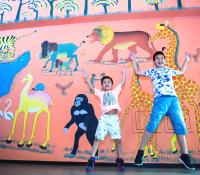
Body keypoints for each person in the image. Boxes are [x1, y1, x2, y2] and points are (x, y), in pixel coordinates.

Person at [131, 51, 195, 170]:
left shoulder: (169, 70)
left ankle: (185, 156)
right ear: (154, 62)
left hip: (173, 101)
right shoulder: (152, 71)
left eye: (162, 58)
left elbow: (182, 71)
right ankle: (139, 154)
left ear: (164, 60)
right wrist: (134, 60)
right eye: (157, 59)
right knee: (152, 125)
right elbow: (138, 72)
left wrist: (186, 60)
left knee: (180, 126)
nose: (160, 60)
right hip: (160, 100)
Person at [81, 67, 126, 172]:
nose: (106, 83)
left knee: (118, 140)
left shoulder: (115, 91)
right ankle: (91, 159)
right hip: (104, 119)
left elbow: (123, 82)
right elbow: (92, 88)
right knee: (97, 139)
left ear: (112, 84)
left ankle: (120, 159)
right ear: (102, 85)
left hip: (114, 119)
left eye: (109, 82)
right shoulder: (100, 93)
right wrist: (87, 78)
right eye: (104, 82)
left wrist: (124, 73)